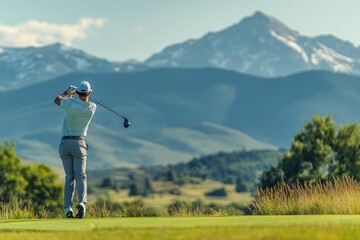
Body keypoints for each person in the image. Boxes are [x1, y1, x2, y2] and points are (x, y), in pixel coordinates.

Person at [54, 80, 96, 218]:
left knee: (69, 177)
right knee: (80, 175)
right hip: (79, 144)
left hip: (65, 144)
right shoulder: (92, 108)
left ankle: (67, 209)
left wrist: (68, 92)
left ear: (78, 92)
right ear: (89, 92)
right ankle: (82, 203)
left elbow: (57, 100)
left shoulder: (70, 104)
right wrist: (74, 95)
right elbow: (79, 103)